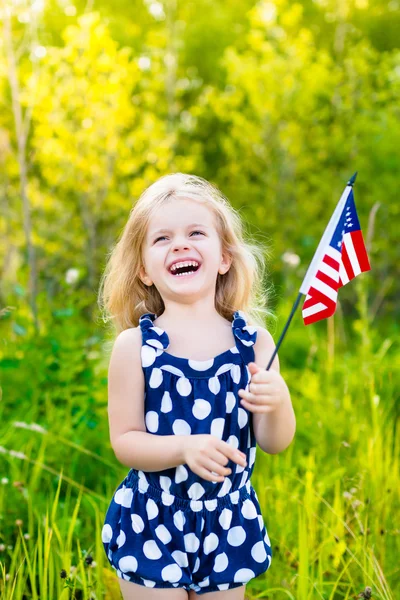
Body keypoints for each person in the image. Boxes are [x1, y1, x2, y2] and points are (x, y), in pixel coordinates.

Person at [98, 173, 296, 599]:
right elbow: (125, 442)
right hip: (152, 518)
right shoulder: (135, 348)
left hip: (227, 522)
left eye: (195, 233)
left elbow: (273, 441)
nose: (180, 245)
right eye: (162, 238)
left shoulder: (255, 344)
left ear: (224, 257)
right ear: (144, 271)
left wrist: (278, 402)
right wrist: (182, 449)